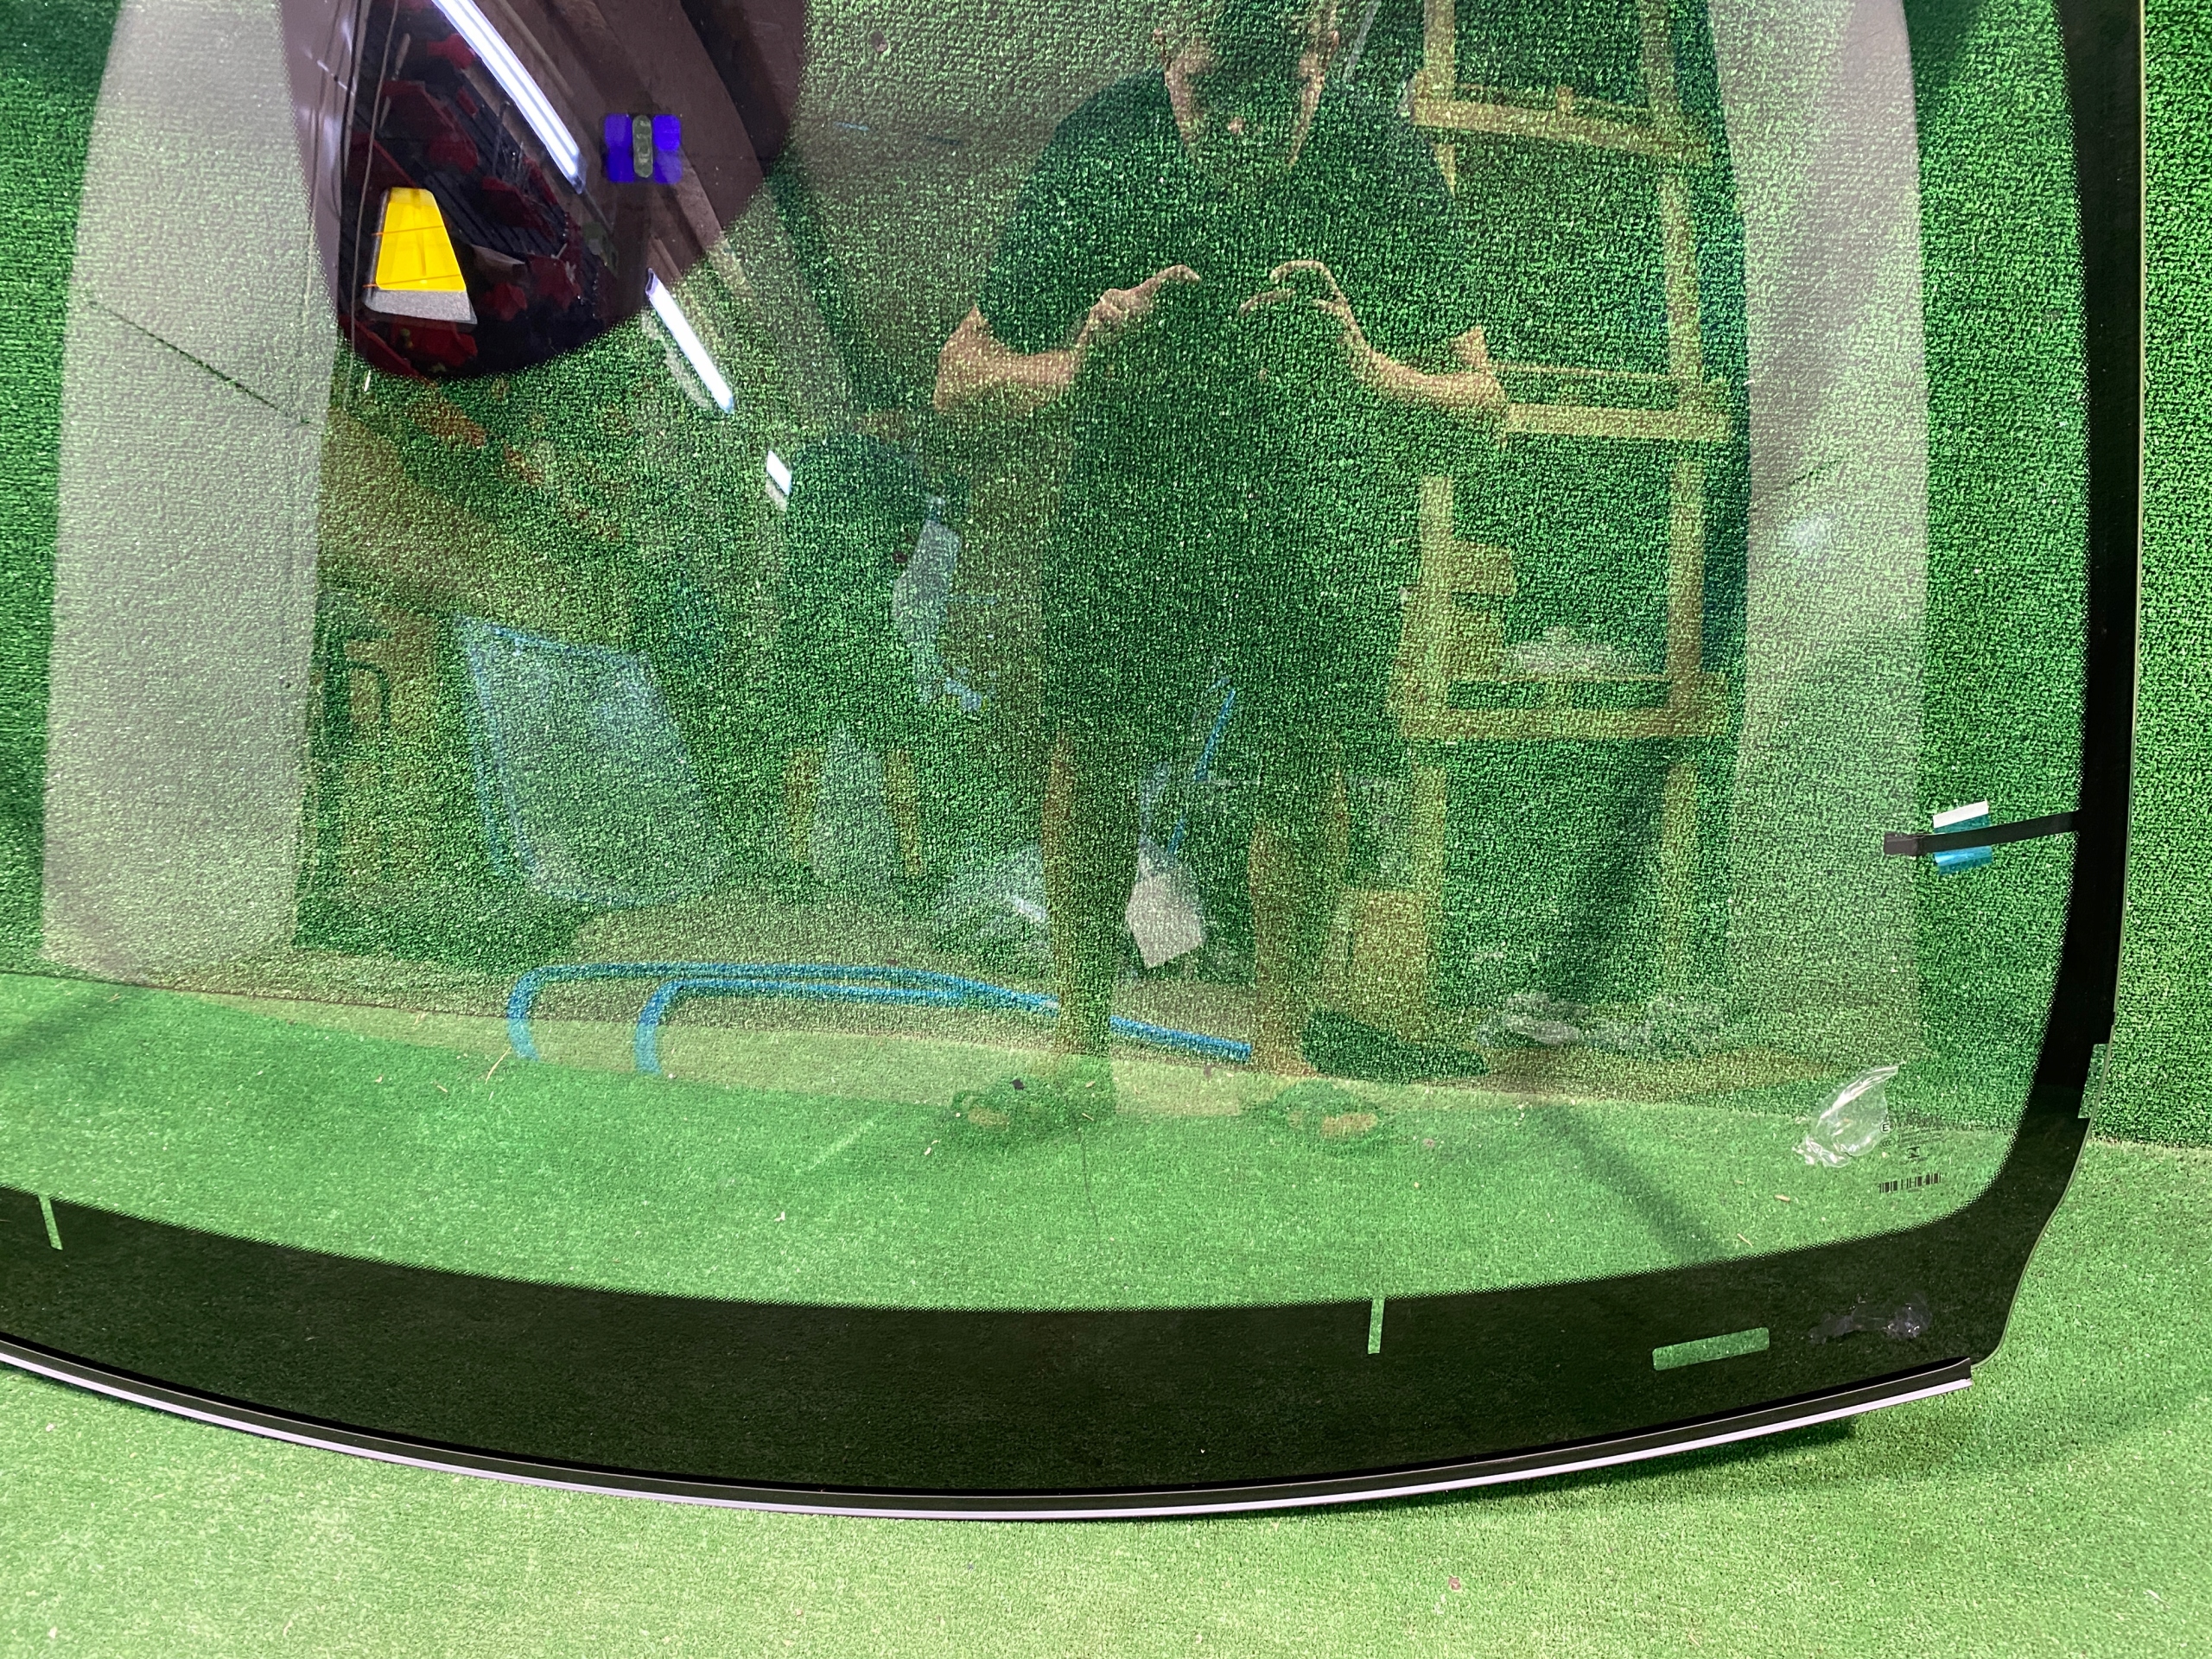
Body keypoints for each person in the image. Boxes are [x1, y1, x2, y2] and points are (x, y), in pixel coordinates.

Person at [934, 0, 1505, 1075]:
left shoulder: (1380, 161)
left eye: (1277, 94)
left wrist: (1359, 369)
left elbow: (1483, 410)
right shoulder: (1101, 144)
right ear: (1162, 42)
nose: (1240, 128)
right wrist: (1078, 366)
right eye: (1210, 91)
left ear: (1325, 45)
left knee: (1302, 751)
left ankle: (1282, 1057)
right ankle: (1077, 1050)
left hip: (1309, 484)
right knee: (1094, 743)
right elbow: (959, 382)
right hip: (1137, 475)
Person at [772, 433, 929, 893]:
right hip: (868, 622)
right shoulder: (898, 469)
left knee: (805, 740)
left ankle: (796, 862)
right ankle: (913, 870)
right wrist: (876, 572)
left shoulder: (811, 460)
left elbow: (794, 536)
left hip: (811, 625)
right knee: (897, 742)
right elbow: (905, 548)